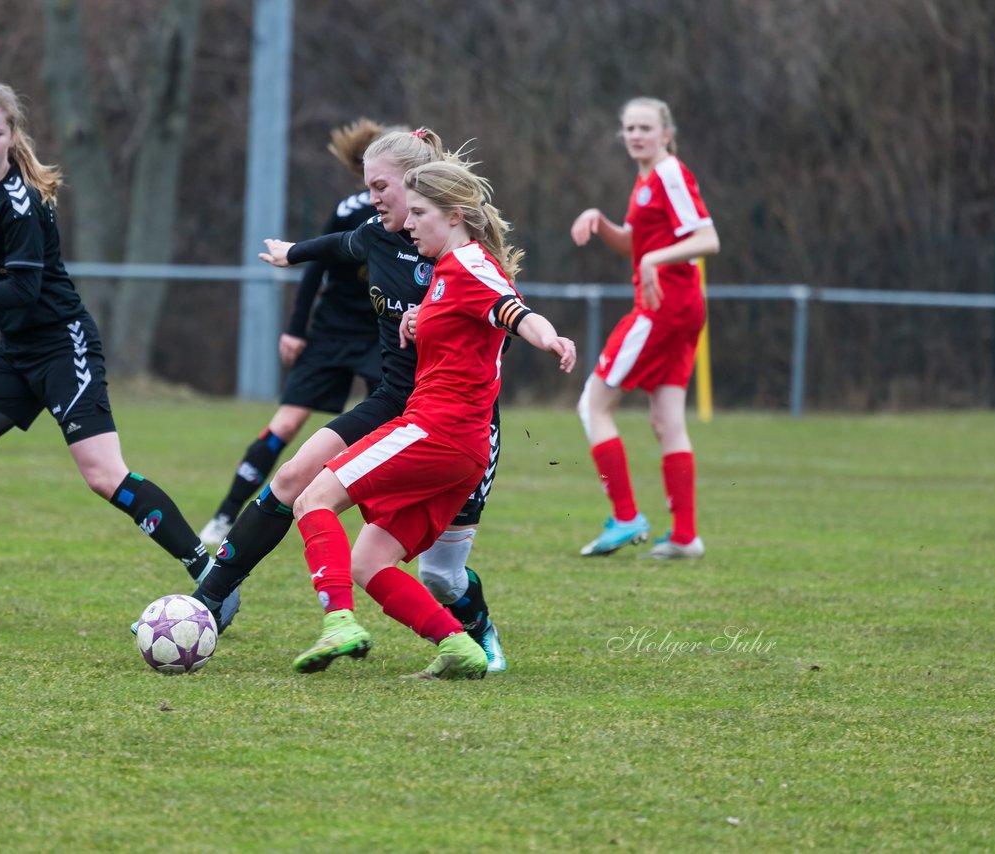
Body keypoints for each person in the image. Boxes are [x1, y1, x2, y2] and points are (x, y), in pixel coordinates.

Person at [190, 129, 510, 672]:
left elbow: (500, 313)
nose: (372, 198)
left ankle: (478, 634)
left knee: (440, 574)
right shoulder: (376, 235)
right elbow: (338, 245)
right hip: (393, 402)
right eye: (367, 187)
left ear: (418, 189)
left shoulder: (459, 255)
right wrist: (293, 253)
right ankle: (207, 602)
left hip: (454, 422)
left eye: (381, 186)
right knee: (292, 479)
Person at [0, 81, 212, 623]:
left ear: (12, 136)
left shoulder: (22, 204)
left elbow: (22, 288)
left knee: (104, 475)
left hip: (64, 347)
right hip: (17, 355)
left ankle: (212, 575)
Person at [290, 157, 576, 679]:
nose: (410, 222)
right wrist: (416, 318)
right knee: (368, 562)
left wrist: (548, 337)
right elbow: (466, 316)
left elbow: (512, 312)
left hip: (435, 432)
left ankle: (338, 622)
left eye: (420, 212)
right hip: (459, 449)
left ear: (455, 215)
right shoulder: (448, 271)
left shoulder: (470, 265)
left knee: (312, 498)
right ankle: (458, 645)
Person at [197, 118, 386, 550]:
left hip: (382, 335)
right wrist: (297, 330)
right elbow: (315, 267)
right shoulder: (351, 211)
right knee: (284, 423)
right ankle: (226, 514)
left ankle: (387, 531)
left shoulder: (418, 217)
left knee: (391, 430)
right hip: (332, 331)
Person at [569, 96, 720, 559]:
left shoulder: (670, 172)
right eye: (629, 128)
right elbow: (636, 245)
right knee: (666, 420)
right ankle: (685, 537)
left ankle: (627, 514)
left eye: (645, 128)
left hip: (662, 307)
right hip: (682, 307)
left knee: (592, 403)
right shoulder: (647, 180)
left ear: (666, 134)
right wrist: (602, 222)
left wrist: (654, 258)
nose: (636, 135)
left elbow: (707, 239)